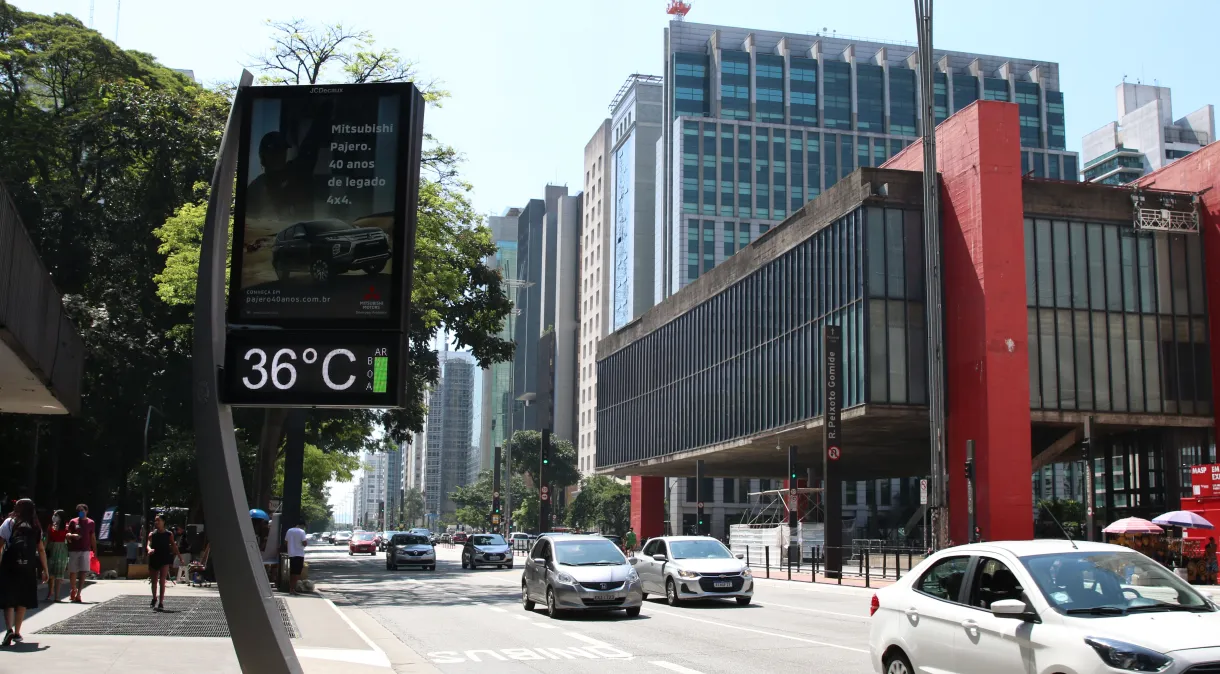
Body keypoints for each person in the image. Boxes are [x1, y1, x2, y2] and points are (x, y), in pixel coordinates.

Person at [0, 499, 48, 647]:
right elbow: (41, 549)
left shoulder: (9, 522)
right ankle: (17, 632)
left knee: (8, 598)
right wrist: (45, 569)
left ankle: (9, 629)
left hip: (9, 565)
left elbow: (0, 545)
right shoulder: (35, 526)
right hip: (28, 567)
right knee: (22, 598)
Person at [146, 514, 183, 611]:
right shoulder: (152, 534)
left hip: (164, 558)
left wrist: (180, 557)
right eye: (155, 520)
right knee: (154, 581)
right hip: (154, 558)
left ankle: (161, 602)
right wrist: (149, 550)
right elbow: (148, 545)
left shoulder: (169, 534)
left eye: (158, 520)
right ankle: (154, 598)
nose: (156, 522)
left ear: (163, 522)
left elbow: (174, 546)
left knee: (162, 580)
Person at [65, 503, 96, 603]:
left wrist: (95, 550)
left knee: (83, 571)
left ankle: (79, 593)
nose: (81, 512)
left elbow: (92, 537)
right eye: (79, 511)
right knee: (73, 571)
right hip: (74, 550)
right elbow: (67, 534)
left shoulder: (91, 522)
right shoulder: (73, 521)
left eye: (82, 510)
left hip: (85, 550)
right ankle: (73, 589)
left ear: (86, 511)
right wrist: (73, 535)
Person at [44, 510, 69, 602]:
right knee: (50, 572)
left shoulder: (66, 527)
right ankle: (50, 591)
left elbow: (68, 537)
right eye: (54, 515)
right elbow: (47, 538)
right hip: (51, 549)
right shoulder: (50, 526)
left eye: (56, 515)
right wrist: (43, 549)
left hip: (61, 550)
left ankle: (57, 596)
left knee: (59, 574)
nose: (54, 517)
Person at [285, 519, 308, 594]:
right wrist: (304, 543)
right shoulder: (302, 531)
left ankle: (291, 588)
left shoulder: (289, 530)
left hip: (291, 554)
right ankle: (293, 589)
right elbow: (304, 543)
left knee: (292, 572)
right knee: (297, 573)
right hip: (299, 554)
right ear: (302, 525)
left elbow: (286, 542)